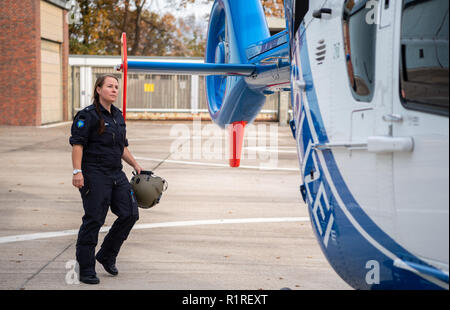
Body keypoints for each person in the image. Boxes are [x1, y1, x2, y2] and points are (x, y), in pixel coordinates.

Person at [70, 74, 143, 285]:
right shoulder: (87, 115)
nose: (114, 90)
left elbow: (122, 148)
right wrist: (77, 172)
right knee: (94, 219)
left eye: (116, 87)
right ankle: (85, 269)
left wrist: (136, 165)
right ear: (99, 89)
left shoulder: (118, 116)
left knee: (130, 213)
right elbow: (77, 145)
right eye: (110, 86)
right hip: (94, 173)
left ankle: (106, 255)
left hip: (115, 172)